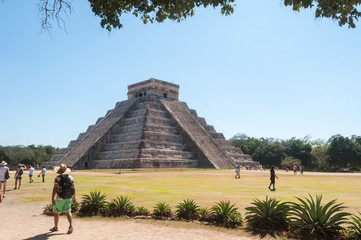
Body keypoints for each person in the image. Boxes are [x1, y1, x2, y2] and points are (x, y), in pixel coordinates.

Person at [50, 164, 76, 234]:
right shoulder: (71, 178)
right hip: (68, 197)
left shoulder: (58, 178)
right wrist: (74, 197)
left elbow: (55, 188)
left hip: (59, 198)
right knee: (68, 212)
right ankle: (70, 226)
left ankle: (56, 227)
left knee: (56, 212)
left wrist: (52, 198)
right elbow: (73, 188)